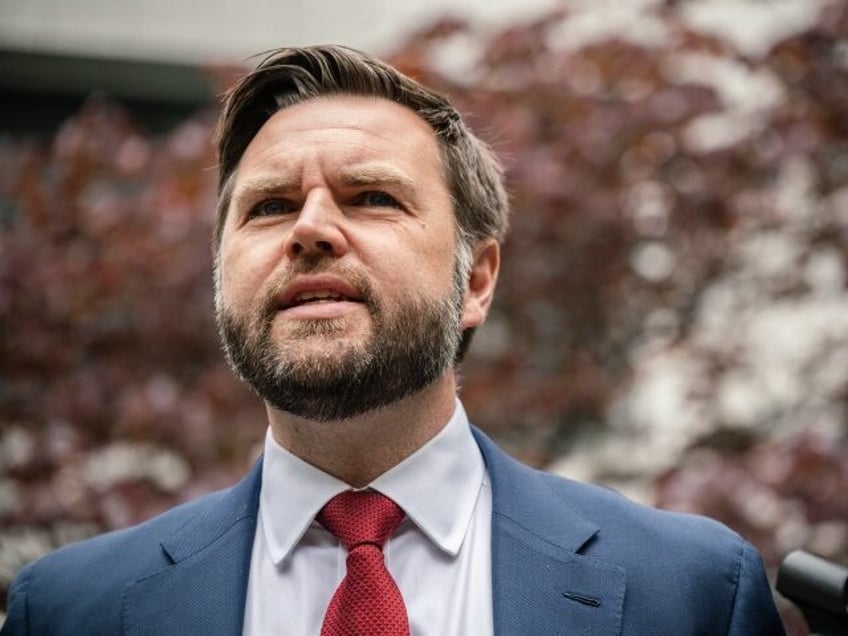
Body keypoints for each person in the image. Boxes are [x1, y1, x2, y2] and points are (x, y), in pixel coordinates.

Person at [1, 44, 785, 635]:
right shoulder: (70, 609)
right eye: (269, 206)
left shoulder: (691, 593)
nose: (309, 229)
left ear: (476, 280)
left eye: (371, 196)